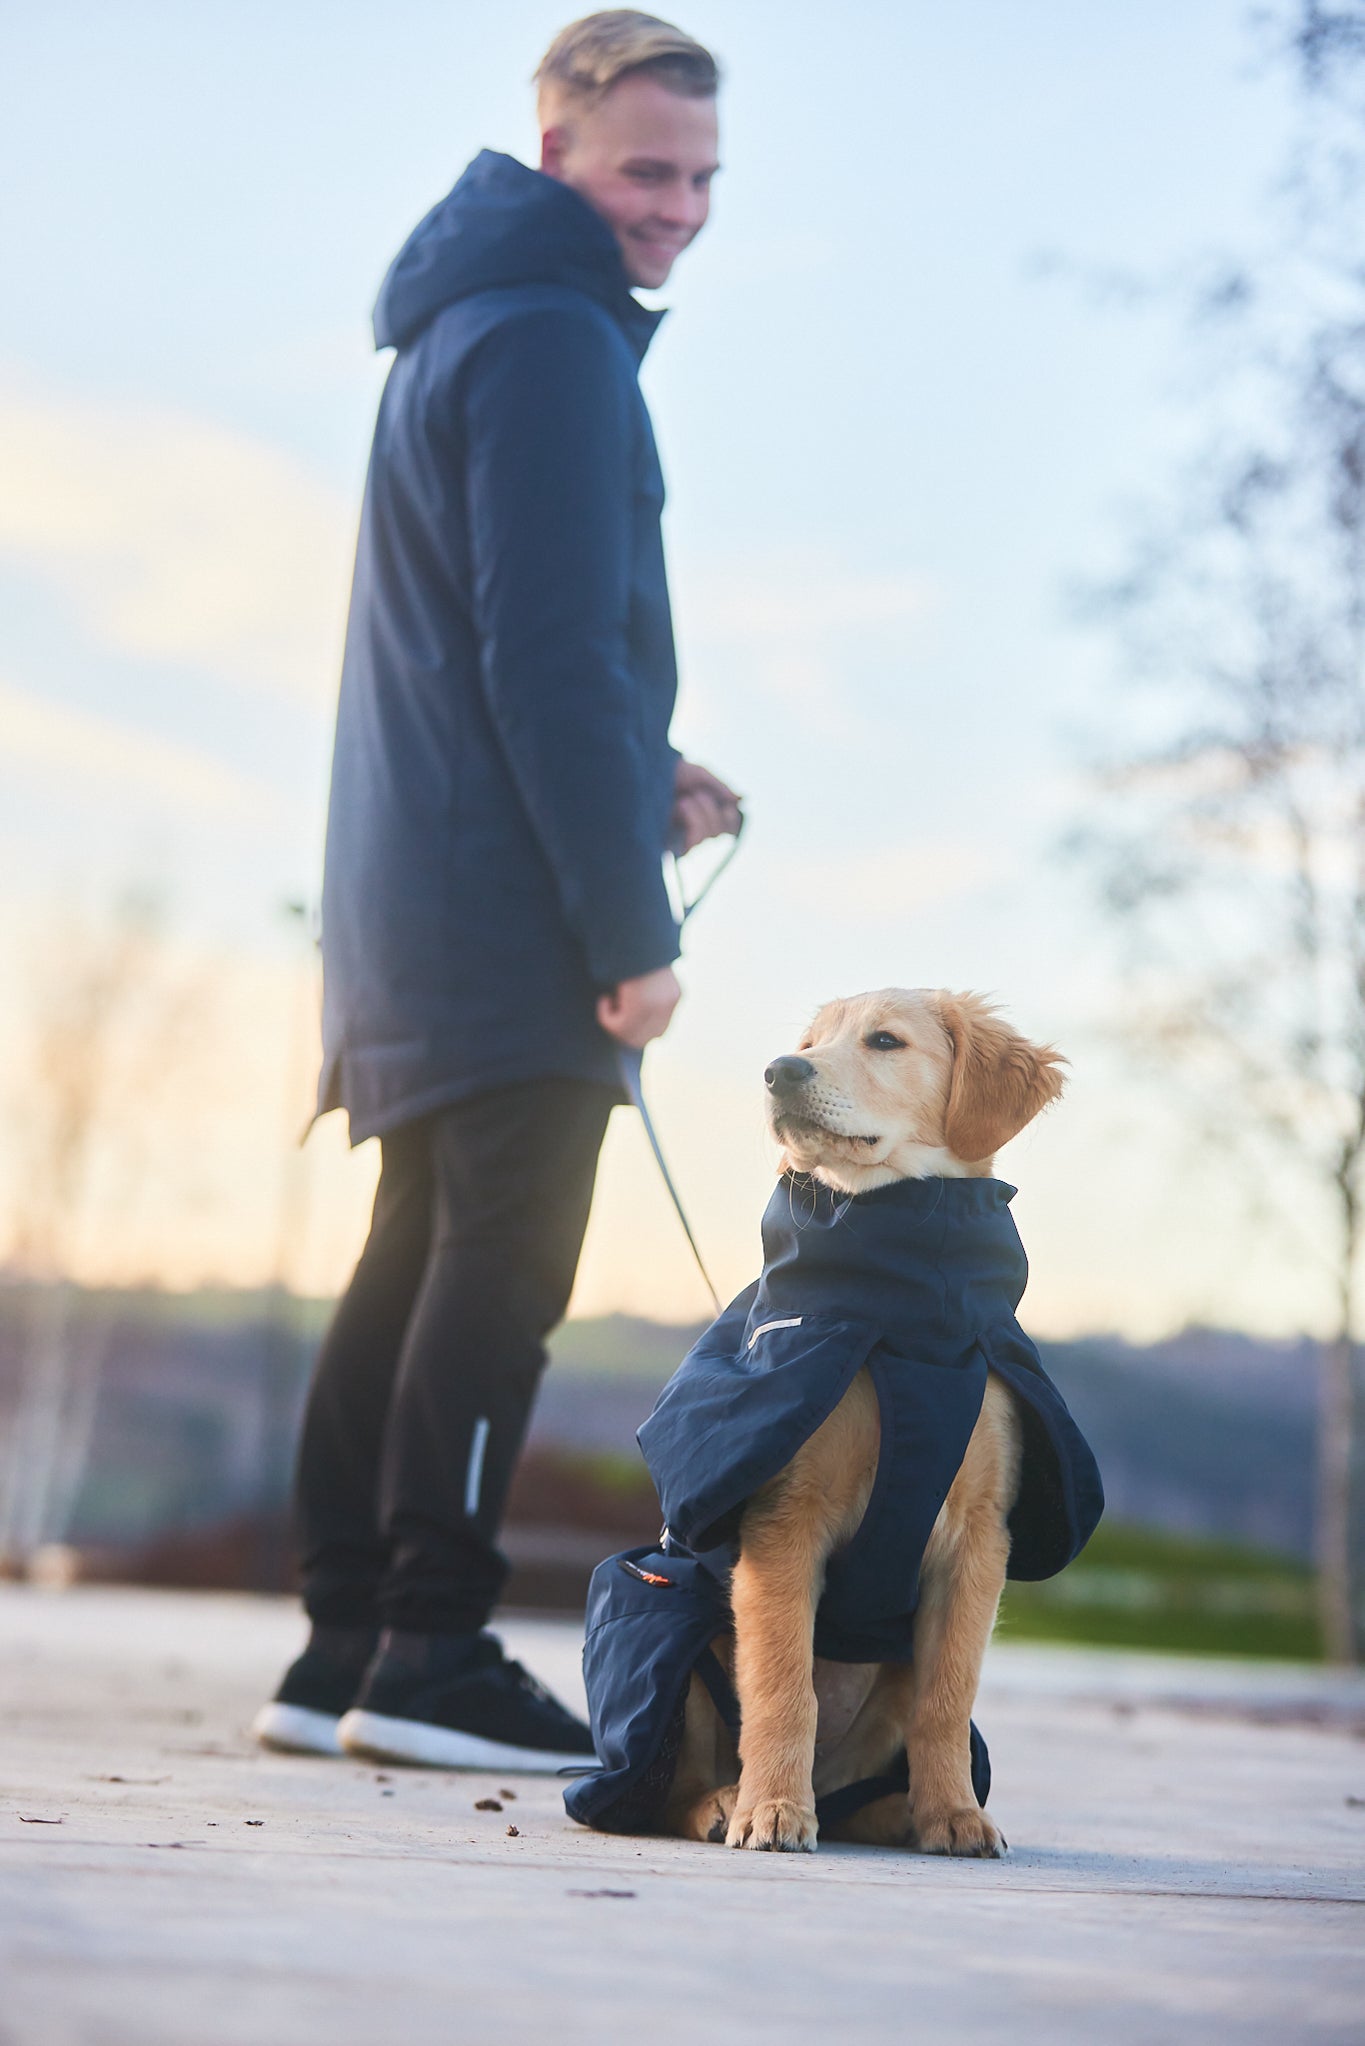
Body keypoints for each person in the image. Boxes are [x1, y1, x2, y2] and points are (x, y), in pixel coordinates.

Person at [252, 11, 738, 1771]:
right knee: (502, 1263)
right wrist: (627, 925)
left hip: (415, 885)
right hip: (508, 903)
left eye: (699, 177)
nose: (676, 207)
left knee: (409, 1254)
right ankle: (435, 1647)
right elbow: (542, 654)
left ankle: (339, 1647)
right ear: (556, 155)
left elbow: (503, 658)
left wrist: (642, 783)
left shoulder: (466, 325)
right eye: (643, 170)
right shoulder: (551, 343)